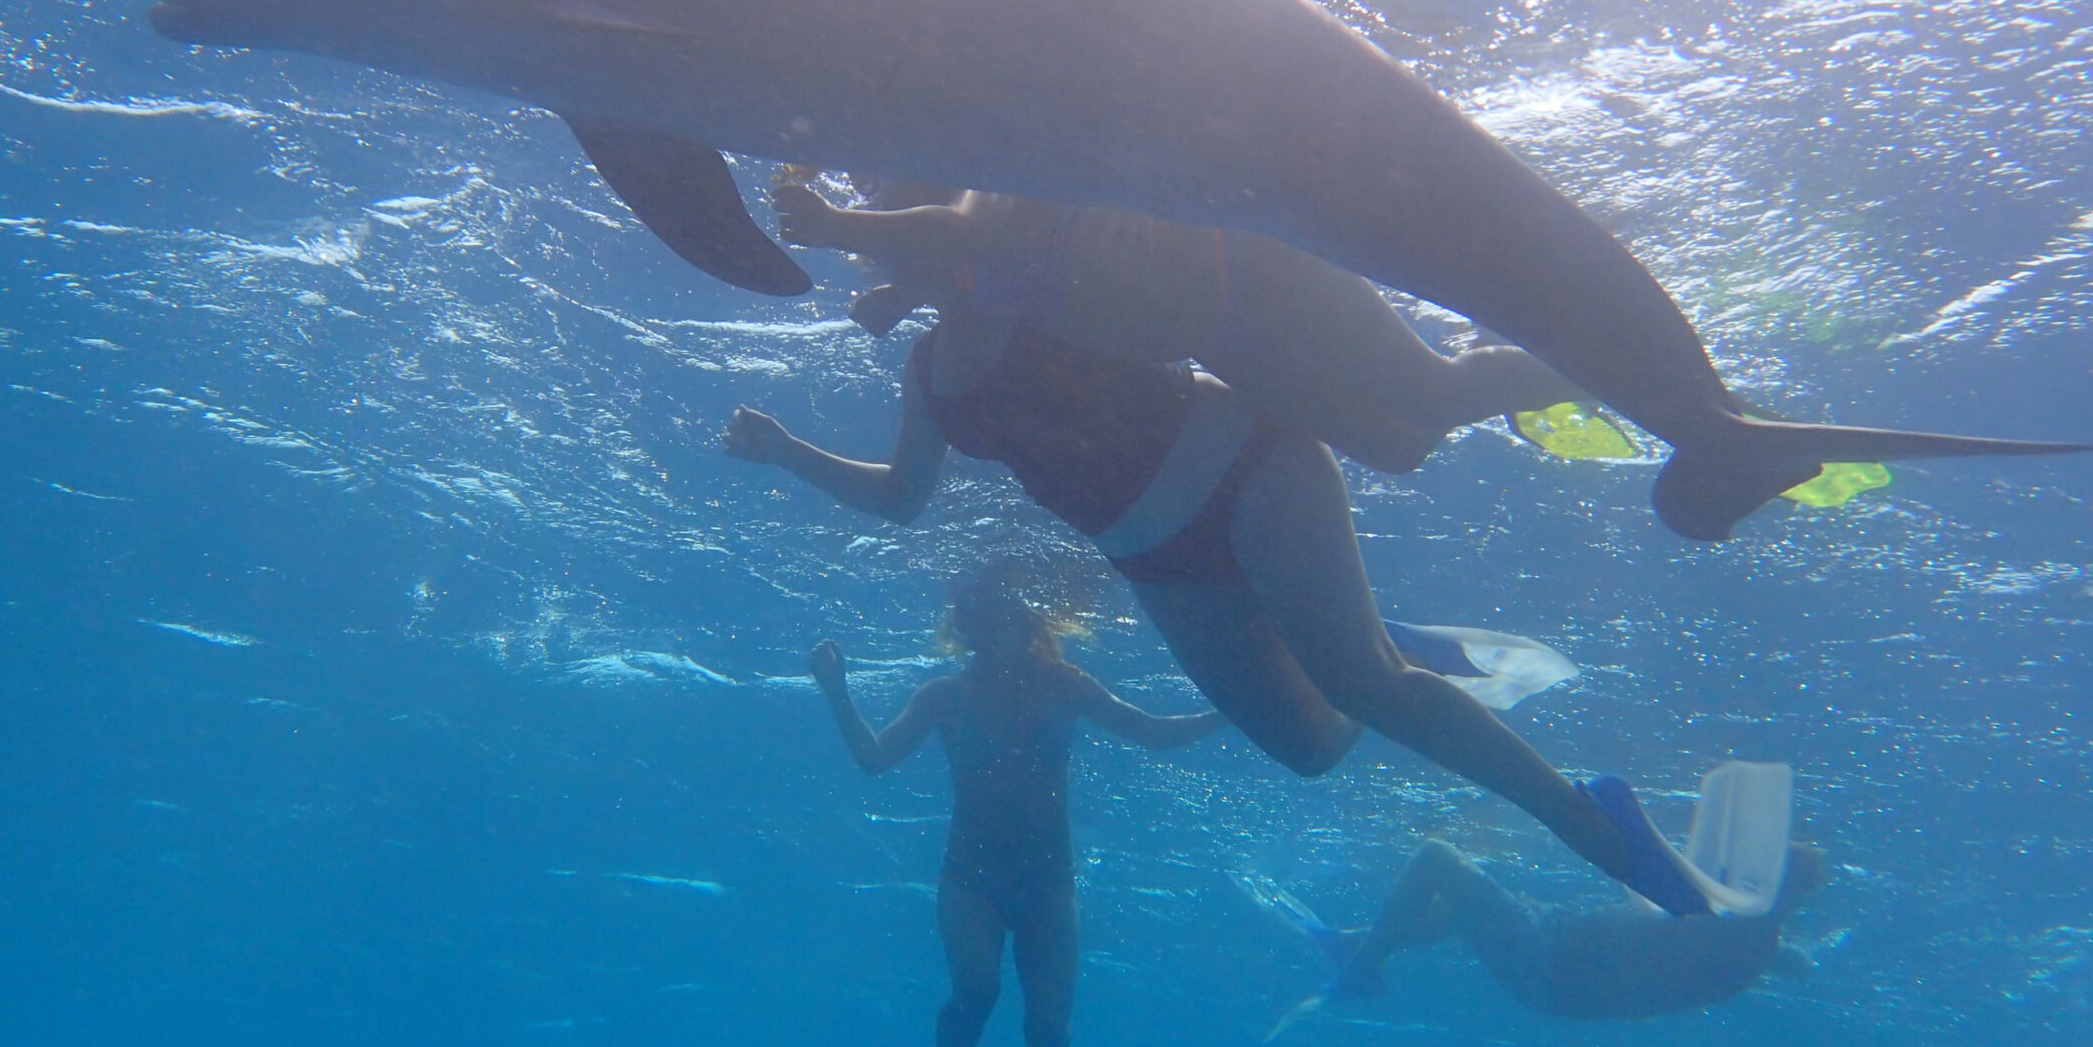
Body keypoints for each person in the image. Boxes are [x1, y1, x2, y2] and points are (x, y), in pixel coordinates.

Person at [723, 300, 1716, 915]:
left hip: (1246, 461)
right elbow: (902, 496)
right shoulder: (929, 372)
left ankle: (1589, 821)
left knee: (1366, 683)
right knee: (1313, 746)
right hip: (1158, 555)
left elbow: (1205, 314)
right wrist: (783, 450)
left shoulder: (1043, 269)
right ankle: (1346, 627)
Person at [807, 567, 1223, 1047]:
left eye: (1002, 613)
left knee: (1052, 1040)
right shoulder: (945, 696)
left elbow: (1151, 731)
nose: (992, 627)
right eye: (978, 617)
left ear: (1024, 620)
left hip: (1047, 885)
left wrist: (1231, 710)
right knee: (978, 989)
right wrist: (836, 693)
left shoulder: (1064, 684)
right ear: (968, 629)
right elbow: (875, 759)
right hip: (969, 882)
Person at [774, 174, 1579, 474]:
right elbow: (947, 263)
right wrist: (892, 292)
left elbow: (951, 236)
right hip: (1221, 340)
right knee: (1397, 448)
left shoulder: (999, 197)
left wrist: (839, 226)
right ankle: (1505, 360)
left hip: (1254, 275)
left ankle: (1600, 362)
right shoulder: (963, 268)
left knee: (1429, 397)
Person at [1255, 838, 1830, 1022]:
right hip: (1558, 965)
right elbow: (1768, 956)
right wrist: (1794, 956)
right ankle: (1355, 944)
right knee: (1459, 911)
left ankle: (1360, 969)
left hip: (1550, 955)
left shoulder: (1731, 930)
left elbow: (1664, 902)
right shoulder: (1756, 943)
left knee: (1439, 860)